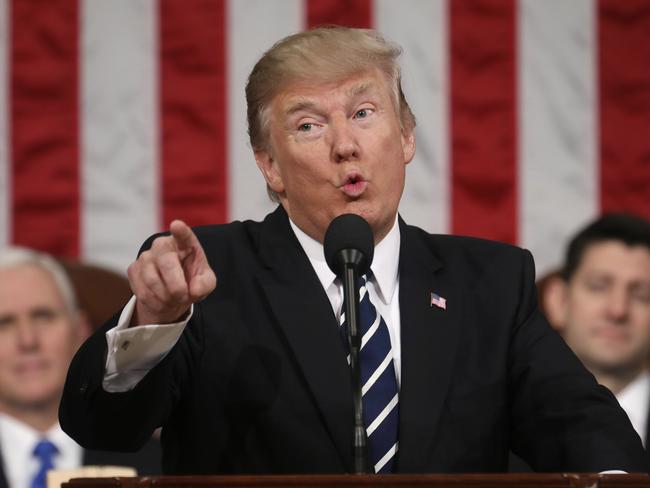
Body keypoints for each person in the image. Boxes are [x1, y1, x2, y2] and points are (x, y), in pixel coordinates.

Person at [59, 27, 646, 474]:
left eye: (365, 114)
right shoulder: (210, 274)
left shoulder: (489, 282)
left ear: (407, 135)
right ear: (269, 164)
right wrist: (157, 321)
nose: (346, 146)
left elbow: (580, 426)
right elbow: (102, 427)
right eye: (309, 126)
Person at [0, 247, 161, 488]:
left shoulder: (160, 464)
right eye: (4, 323)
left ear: (80, 331)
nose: (28, 341)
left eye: (43, 316)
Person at [541, 214, 650, 459]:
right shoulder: (498, 426)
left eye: (642, 295)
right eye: (599, 287)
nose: (618, 310)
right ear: (558, 300)